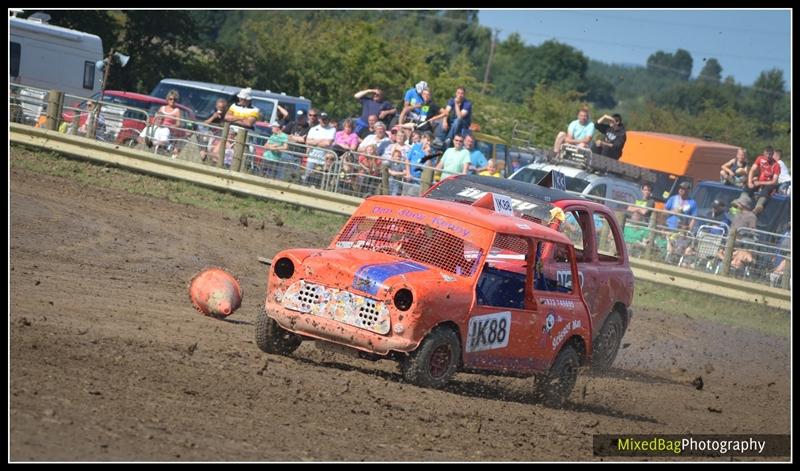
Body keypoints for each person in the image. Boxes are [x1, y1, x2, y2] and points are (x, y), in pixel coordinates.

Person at [746, 146, 780, 215]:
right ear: (763, 153)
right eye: (767, 154)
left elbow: (774, 181)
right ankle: (742, 200)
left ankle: (758, 207)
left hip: (770, 184)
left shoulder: (776, 165)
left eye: (770, 154)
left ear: (773, 154)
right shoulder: (760, 158)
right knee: (749, 185)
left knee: (766, 189)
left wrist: (759, 182)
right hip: (760, 182)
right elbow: (752, 170)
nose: (768, 156)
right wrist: (749, 182)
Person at [200, 98, 228, 162]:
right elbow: (204, 124)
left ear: (225, 108)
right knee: (205, 136)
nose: (220, 109)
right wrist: (213, 117)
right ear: (216, 106)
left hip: (221, 137)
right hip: (212, 135)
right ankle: (203, 153)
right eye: (219, 107)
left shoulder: (227, 117)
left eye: (222, 108)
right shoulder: (213, 114)